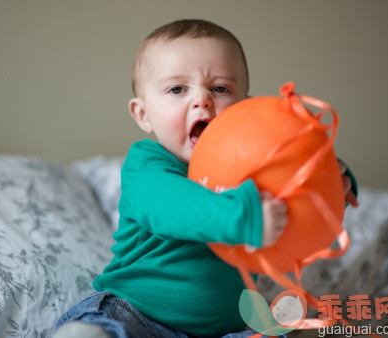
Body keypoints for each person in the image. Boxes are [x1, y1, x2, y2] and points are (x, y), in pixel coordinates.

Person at [54, 19, 357, 338]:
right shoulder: (147, 163)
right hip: (137, 315)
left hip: (228, 330)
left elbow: (291, 207)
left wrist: (325, 180)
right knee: (87, 333)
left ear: (245, 108)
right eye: (177, 89)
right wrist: (243, 215)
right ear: (143, 115)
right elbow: (171, 206)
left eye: (221, 88)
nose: (202, 100)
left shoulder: (250, 171)